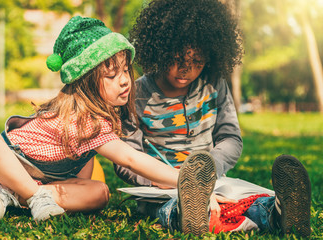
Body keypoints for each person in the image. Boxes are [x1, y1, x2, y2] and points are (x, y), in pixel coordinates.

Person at [114, 0, 311, 237]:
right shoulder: (136, 95)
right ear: (160, 49)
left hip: (213, 181)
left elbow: (230, 139)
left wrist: (207, 172)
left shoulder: (215, 85)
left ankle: (279, 212)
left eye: (197, 62)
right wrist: (153, 180)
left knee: (245, 201)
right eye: (178, 60)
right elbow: (125, 157)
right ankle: (188, 215)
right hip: (161, 189)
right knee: (170, 208)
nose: (186, 70)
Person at [0, 16, 179, 222]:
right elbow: (130, 159)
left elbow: (82, 179)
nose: (124, 80)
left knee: (100, 192)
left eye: (125, 70)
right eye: (112, 75)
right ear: (86, 82)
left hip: (38, 179)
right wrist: (182, 179)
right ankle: (34, 196)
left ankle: (10, 196)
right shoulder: (86, 118)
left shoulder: (102, 116)